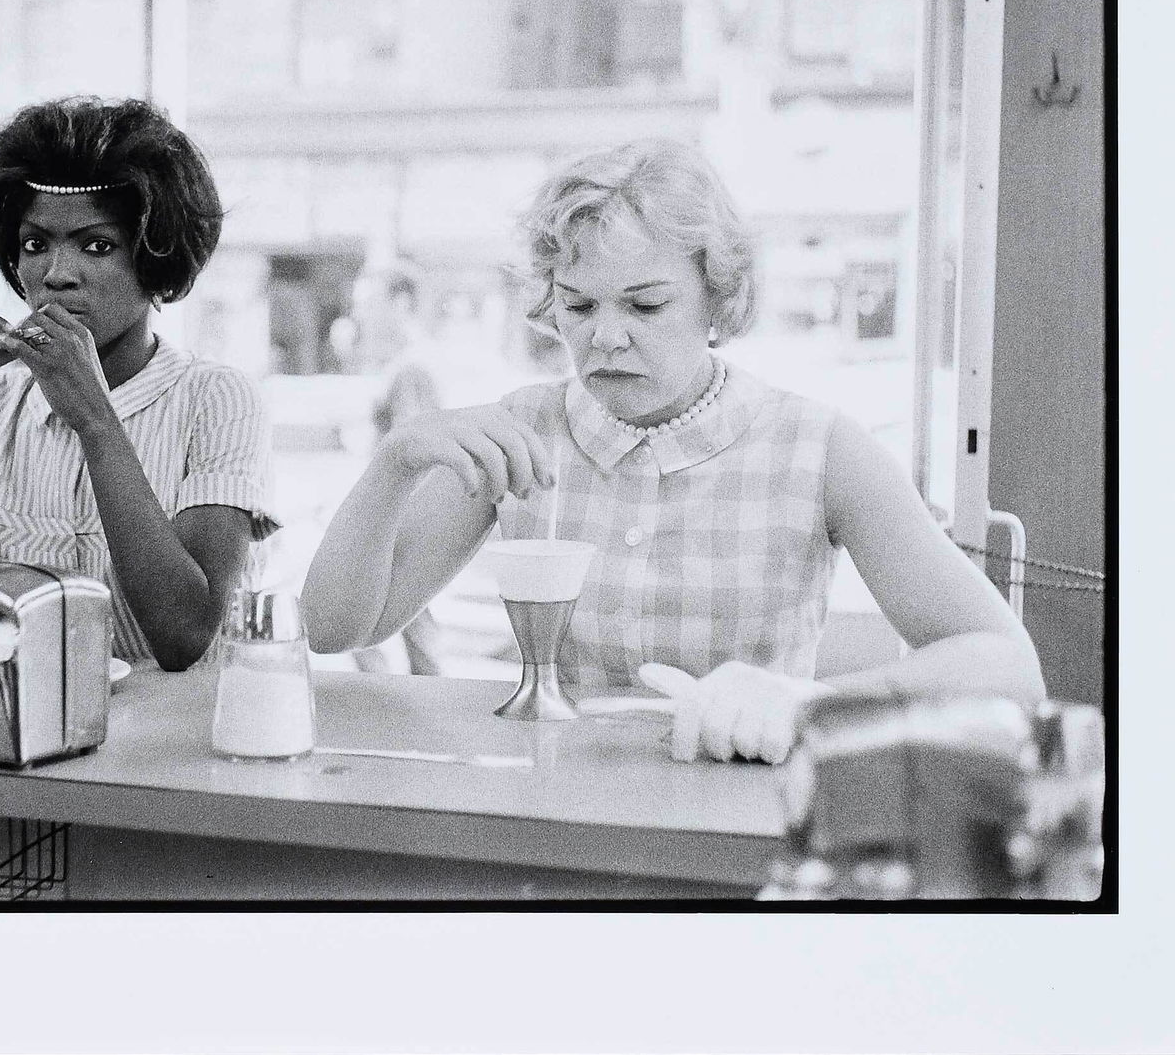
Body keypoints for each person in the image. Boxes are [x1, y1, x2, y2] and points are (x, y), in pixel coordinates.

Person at [301, 140, 1044, 764]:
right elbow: (338, 630)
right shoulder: (520, 433)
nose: (607, 336)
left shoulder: (818, 450)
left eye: (646, 304)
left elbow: (1006, 667)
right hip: (553, 813)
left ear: (719, 298)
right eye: (579, 305)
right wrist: (395, 464)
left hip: (747, 816)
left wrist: (810, 704)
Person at [0, 96, 277, 671]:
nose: (56, 275)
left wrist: (94, 419)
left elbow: (185, 636)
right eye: (35, 244)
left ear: (157, 257)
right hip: (25, 730)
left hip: (181, 741)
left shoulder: (217, 400)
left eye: (97, 246)